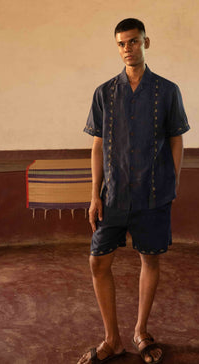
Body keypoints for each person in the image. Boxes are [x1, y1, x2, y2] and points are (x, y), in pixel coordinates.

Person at [78, 18, 190, 364]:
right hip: (113, 197)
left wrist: (172, 182)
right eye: (122, 43)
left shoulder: (167, 91)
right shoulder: (104, 93)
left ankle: (141, 331)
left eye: (133, 41)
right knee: (98, 263)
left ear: (146, 42)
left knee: (149, 259)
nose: (128, 48)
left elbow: (176, 139)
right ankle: (111, 339)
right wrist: (95, 194)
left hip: (153, 194)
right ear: (117, 47)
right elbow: (97, 147)